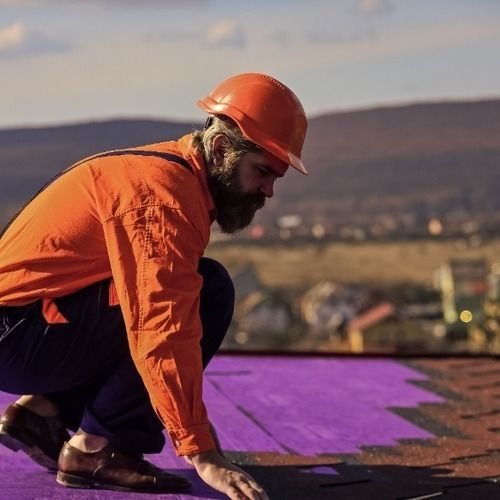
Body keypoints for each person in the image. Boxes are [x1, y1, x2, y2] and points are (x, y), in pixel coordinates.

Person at [0, 73, 308, 499]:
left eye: (276, 177)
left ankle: (41, 414)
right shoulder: (163, 198)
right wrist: (202, 451)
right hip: (17, 336)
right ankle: (95, 448)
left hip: (22, 329)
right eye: (261, 172)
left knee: (188, 285)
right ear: (221, 149)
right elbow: (161, 327)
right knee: (208, 291)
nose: (269, 190)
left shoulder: (169, 172)